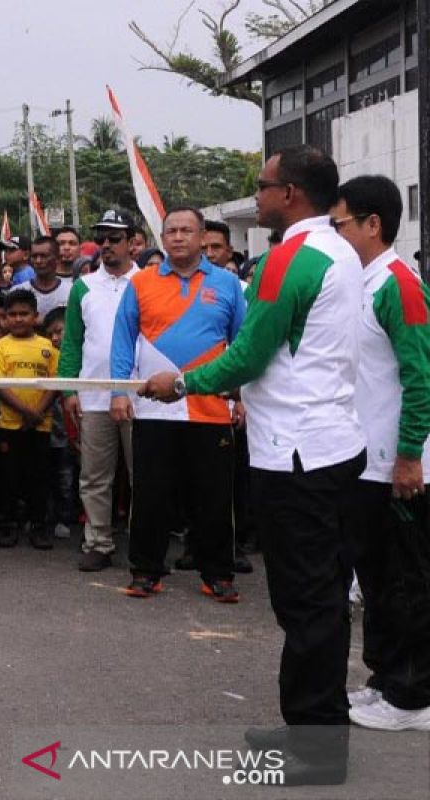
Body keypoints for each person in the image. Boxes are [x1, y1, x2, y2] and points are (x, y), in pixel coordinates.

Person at [141, 145, 365, 784]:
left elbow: (246, 357)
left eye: (263, 187)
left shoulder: (288, 261)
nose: (257, 196)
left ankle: (317, 749)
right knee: (311, 600)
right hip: (324, 447)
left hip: (296, 457)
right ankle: (308, 726)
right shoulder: (338, 251)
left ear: (289, 194)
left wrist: (179, 383)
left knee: (309, 603)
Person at [330, 175, 430, 732]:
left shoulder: (400, 284)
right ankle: (387, 679)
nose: (334, 232)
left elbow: (421, 375)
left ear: (372, 225)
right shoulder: (360, 284)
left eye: (339, 223)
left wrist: (410, 454)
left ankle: (413, 697)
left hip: (400, 464)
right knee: (377, 580)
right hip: (366, 460)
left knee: (406, 580)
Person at [110, 207, 246, 603]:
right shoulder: (141, 283)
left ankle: (218, 573)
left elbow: (242, 346)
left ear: (203, 236)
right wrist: (120, 392)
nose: (178, 237)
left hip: (211, 409)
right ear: (162, 237)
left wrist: (241, 397)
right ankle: (146, 571)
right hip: (155, 409)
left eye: (187, 230)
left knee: (214, 497)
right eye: (171, 231)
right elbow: (122, 341)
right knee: (151, 493)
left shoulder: (228, 285)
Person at [58, 209, 140, 572]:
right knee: (94, 474)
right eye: (102, 238)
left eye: (114, 238)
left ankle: (143, 544)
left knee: (144, 475)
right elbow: (72, 343)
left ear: (133, 243)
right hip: (93, 394)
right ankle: (98, 542)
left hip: (141, 395)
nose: (106, 245)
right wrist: (69, 390)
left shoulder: (149, 282)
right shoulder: (84, 286)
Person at [0, 290, 58, 549]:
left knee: (39, 477)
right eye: (12, 315)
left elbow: (55, 382)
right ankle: (7, 526)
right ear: (5, 318)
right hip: (9, 425)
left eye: (24, 314)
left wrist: (37, 412)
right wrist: (26, 412)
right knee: (8, 477)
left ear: (35, 316)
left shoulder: (48, 347)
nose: (18, 319)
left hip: (41, 425)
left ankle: (39, 526)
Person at [41, 306, 76, 539]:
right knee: (49, 474)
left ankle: (66, 517)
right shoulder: (45, 355)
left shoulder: (79, 357)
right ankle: (48, 518)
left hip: (71, 429)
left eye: (59, 331)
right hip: (48, 427)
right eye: (50, 333)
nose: (55, 337)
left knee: (68, 476)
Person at [11, 236, 72, 319]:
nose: (38, 261)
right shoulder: (17, 292)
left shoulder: (71, 291)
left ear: (57, 259)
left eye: (44, 256)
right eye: (34, 256)